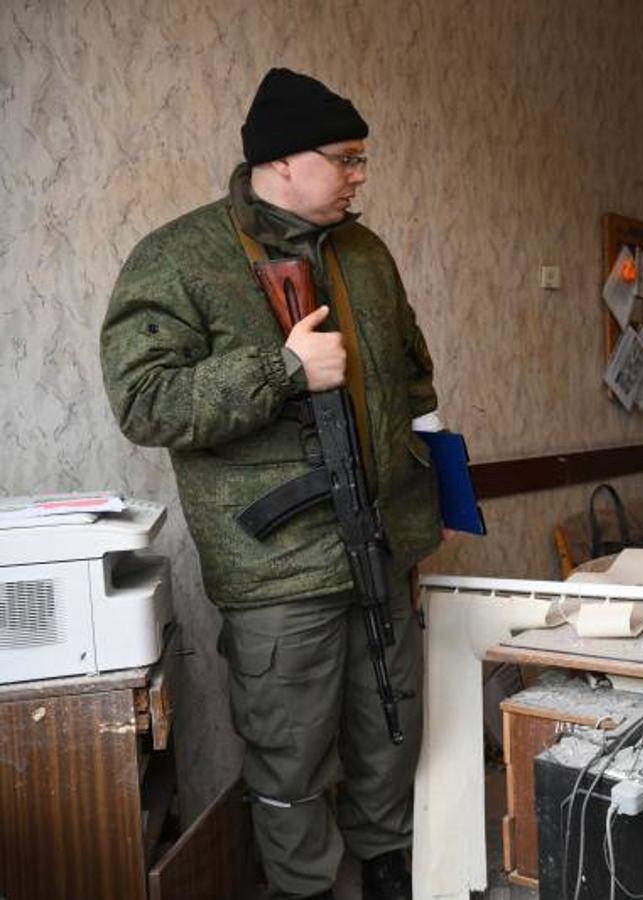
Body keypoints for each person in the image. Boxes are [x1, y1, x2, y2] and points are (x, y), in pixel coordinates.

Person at [101, 68, 443, 900]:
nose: (361, 177)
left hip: (382, 544)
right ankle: (306, 890)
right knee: (289, 751)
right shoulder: (180, 257)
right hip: (277, 568)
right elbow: (143, 401)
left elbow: (414, 376)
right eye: (347, 160)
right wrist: (281, 370)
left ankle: (392, 869)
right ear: (283, 161)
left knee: (389, 731)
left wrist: (423, 490)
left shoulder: (364, 252)